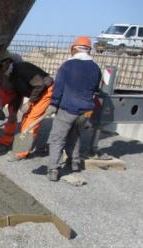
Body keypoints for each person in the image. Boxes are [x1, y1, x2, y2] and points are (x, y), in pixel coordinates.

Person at [46, 36, 101, 181]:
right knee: (75, 134)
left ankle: (53, 169)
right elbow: (96, 88)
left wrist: (53, 104)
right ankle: (75, 162)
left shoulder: (67, 66)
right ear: (89, 50)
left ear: (74, 48)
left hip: (67, 109)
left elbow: (58, 87)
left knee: (57, 139)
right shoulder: (95, 67)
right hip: (86, 111)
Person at [7, 60, 55, 161]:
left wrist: (29, 103)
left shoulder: (22, 68)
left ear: (7, 62)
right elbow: (18, 94)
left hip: (45, 92)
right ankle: (22, 148)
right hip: (36, 94)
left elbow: (40, 84)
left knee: (31, 121)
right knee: (25, 119)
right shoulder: (12, 76)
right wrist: (14, 112)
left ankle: (20, 153)